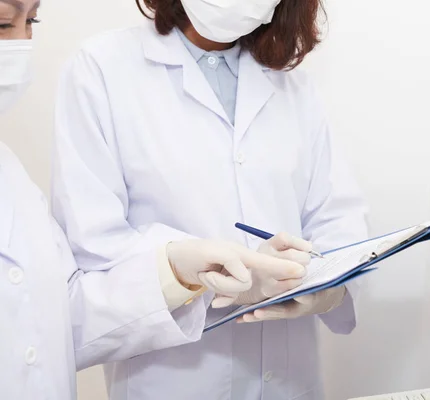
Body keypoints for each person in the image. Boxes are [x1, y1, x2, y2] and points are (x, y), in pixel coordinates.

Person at [52, 0, 369, 398]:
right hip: (172, 379)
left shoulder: (295, 86)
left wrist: (328, 286)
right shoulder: (101, 69)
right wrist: (195, 275)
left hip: (289, 382)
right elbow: (94, 248)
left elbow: (336, 215)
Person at [0, 1, 304, 398]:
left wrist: (177, 272)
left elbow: (54, 320)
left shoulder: (12, 178)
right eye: (5, 21)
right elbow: (94, 250)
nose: (23, 42)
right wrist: (184, 271)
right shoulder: (103, 67)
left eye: (32, 21)